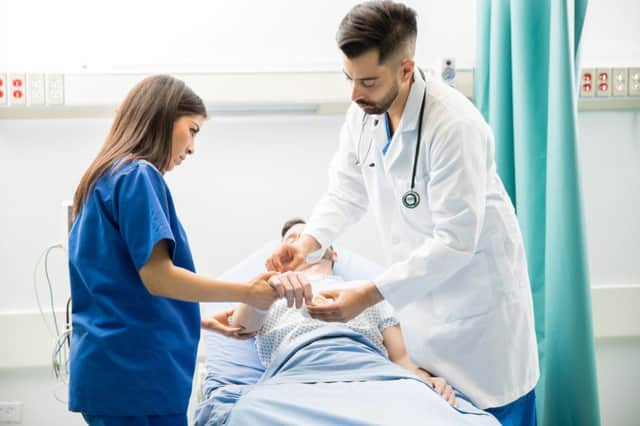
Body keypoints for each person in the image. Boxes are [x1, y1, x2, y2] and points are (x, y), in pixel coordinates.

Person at [265, 2, 539, 424]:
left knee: (494, 415)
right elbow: (345, 191)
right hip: (421, 316)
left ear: (406, 69)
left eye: (368, 81)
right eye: (349, 79)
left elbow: (455, 241)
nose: (355, 94)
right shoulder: (365, 116)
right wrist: (308, 242)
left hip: (480, 321)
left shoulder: (454, 127)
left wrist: (368, 294)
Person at [67, 75, 278, 426]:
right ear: (163, 117)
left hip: (113, 371)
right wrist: (250, 292)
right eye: (193, 130)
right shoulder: (139, 175)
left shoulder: (101, 179)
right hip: (138, 377)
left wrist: (201, 321)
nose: (193, 147)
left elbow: (120, 291)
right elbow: (159, 278)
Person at [228, 218, 457, 407]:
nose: (300, 243)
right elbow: (241, 328)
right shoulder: (268, 293)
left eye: (310, 237)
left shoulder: (368, 292)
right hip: (295, 375)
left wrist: (427, 381)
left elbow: (401, 360)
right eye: (292, 240)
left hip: (371, 373)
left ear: (333, 253)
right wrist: (269, 285)